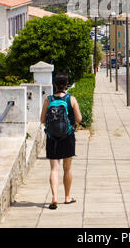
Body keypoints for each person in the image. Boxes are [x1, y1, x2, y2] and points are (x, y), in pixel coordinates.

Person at [40, 72, 82, 210]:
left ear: (55, 84)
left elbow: (42, 120)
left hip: (52, 138)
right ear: (66, 84)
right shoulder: (71, 99)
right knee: (67, 168)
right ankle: (67, 197)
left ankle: (54, 198)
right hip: (68, 137)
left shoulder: (48, 99)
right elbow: (79, 119)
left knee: (54, 169)